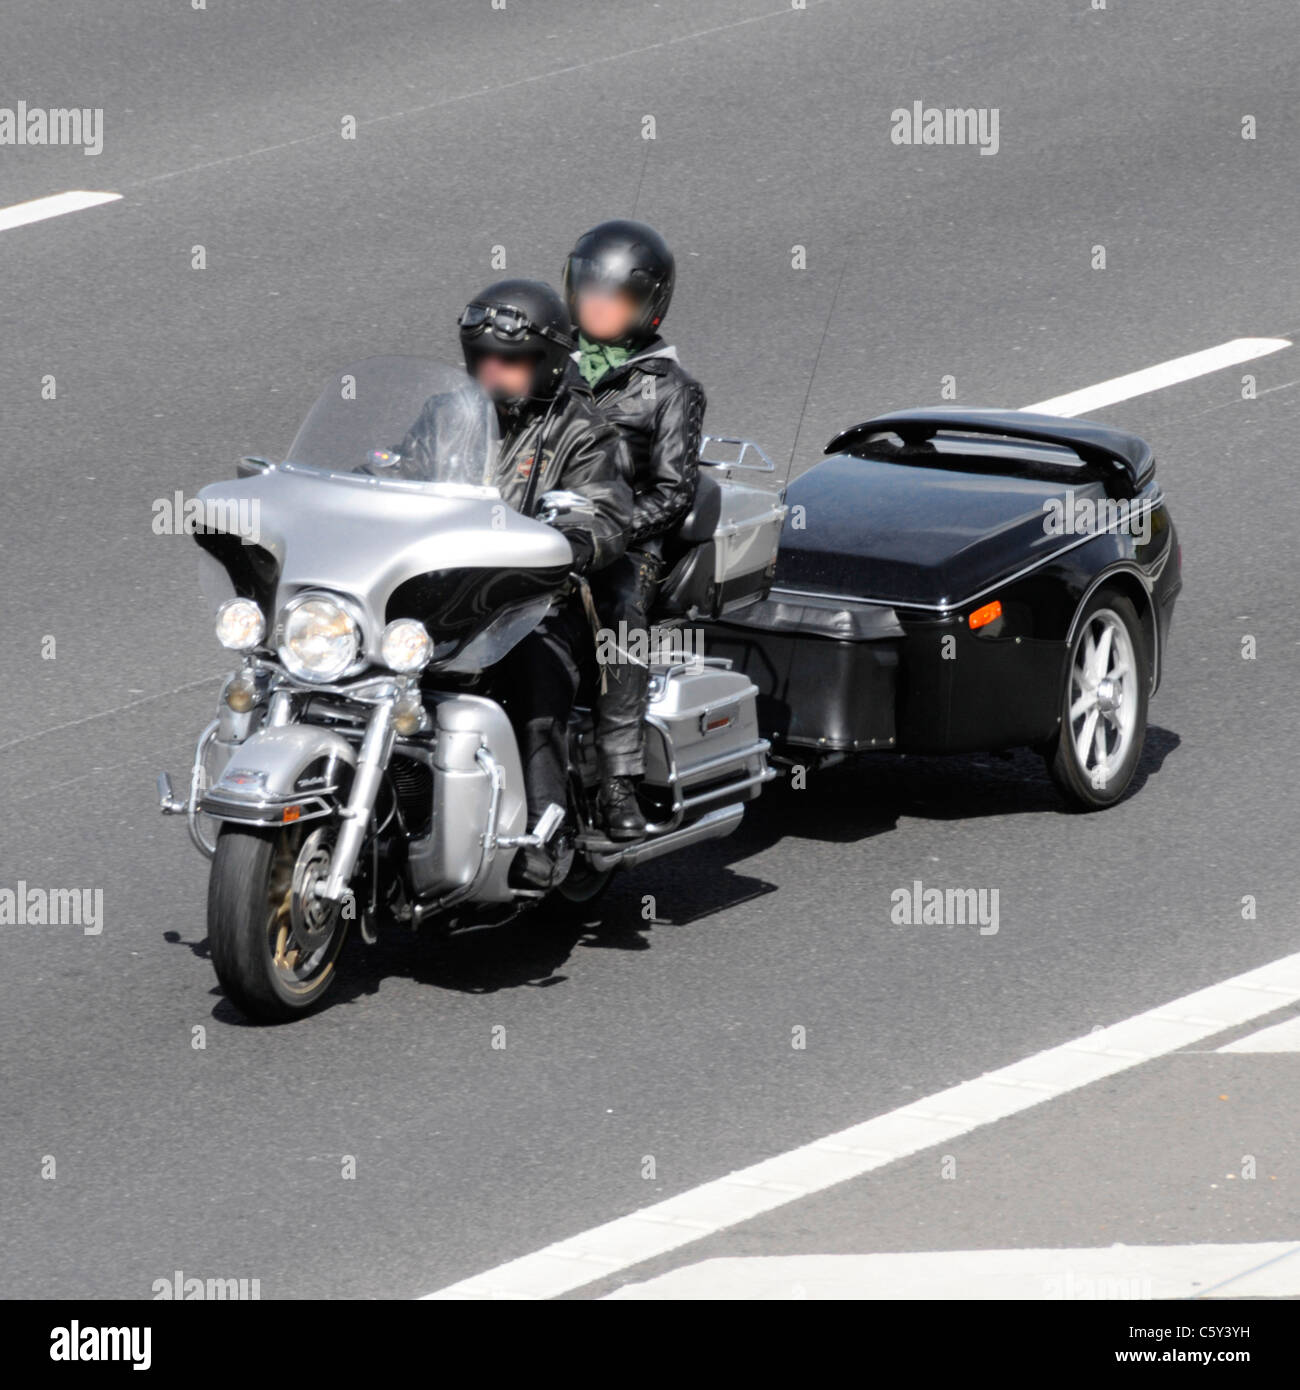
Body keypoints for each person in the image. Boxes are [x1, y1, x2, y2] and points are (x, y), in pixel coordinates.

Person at [455, 278, 632, 887]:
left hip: (538, 605)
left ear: (548, 362)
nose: (493, 372)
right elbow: (399, 468)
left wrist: (576, 538)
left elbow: (607, 513)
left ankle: (542, 831)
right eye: (483, 359)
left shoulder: (583, 431)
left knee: (532, 682)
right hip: (445, 595)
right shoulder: (449, 414)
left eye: (511, 360)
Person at [562, 219, 706, 839]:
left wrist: (614, 531)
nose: (597, 306)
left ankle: (619, 780)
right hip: (538, 523)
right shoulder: (548, 362)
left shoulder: (671, 389)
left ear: (648, 305)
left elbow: (675, 492)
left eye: (614, 296)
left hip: (625, 542)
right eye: (589, 291)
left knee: (618, 615)